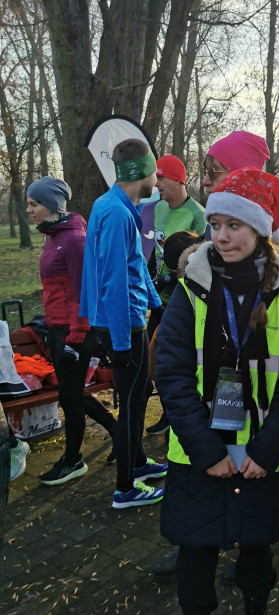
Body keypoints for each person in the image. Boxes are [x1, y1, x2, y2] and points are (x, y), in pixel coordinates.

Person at [154, 167, 279, 615]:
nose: (221, 236)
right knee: (197, 550)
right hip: (202, 450)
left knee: (257, 549)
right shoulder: (191, 287)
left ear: (261, 230)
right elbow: (171, 372)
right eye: (215, 224)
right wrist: (204, 450)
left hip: (263, 452)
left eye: (234, 225)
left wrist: (268, 449)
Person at [80, 139, 167, 509]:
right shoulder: (116, 214)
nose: (158, 177)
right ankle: (125, 489)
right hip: (123, 325)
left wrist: (156, 303)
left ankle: (138, 461)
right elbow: (113, 281)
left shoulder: (112, 205)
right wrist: (119, 344)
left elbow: (133, 266)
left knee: (140, 393)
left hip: (130, 319)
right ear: (141, 173)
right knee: (132, 403)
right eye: (155, 170)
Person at [26, 177, 116, 485]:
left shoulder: (75, 240)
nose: (29, 210)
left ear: (51, 206)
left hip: (74, 330)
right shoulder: (53, 236)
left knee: (70, 397)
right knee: (71, 395)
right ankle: (117, 432)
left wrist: (75, 339)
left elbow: (84, 292)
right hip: (57, 327)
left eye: (34, 204)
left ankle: (73, 460)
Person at [145, 155, 206, 437]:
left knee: (178, 359)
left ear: (179, 180)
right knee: (153, 355)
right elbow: (154, 250)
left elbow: (204, 257)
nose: (157, 184)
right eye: (155, 179)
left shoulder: (198, 212)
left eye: (162, 179)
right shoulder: (157, 209)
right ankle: (161, 409)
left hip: (183, 297)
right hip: (159, 296)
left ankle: (177, 414)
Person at [201, 130, 279, 253]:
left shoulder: (276, 234)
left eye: (212, 173)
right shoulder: (213, 226)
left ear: (243, 176)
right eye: (205, 172)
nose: (205, 181)